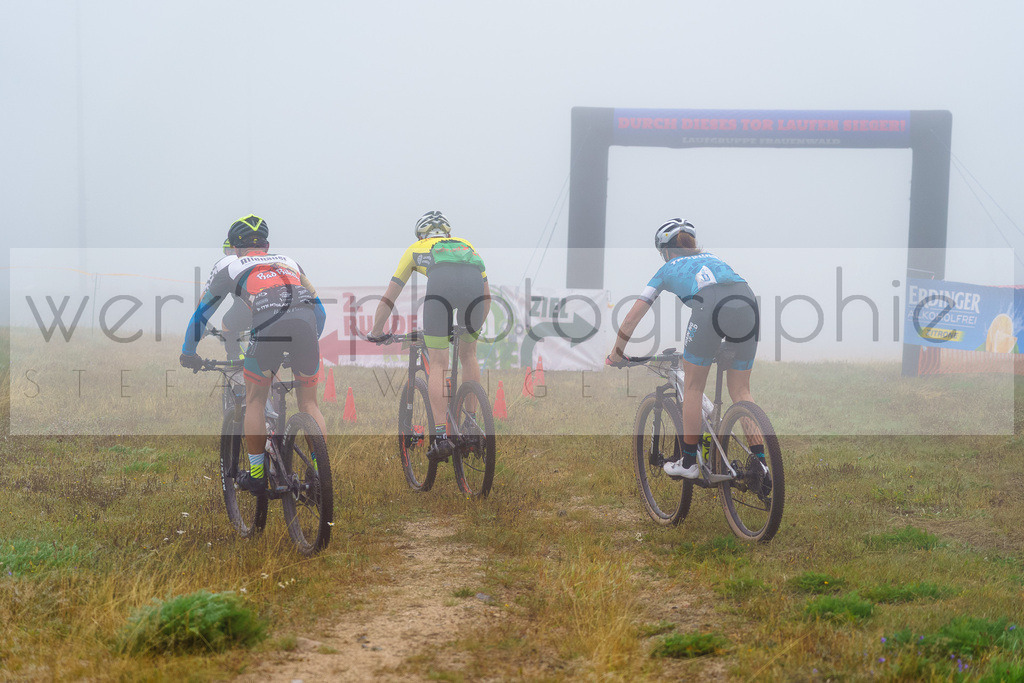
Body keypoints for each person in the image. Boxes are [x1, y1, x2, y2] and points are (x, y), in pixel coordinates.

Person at [180, 214, 327, 492]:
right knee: (310, 404)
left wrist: (188, 352)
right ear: (267, 245)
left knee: (255, 400)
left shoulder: (230, 267)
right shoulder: (290, 262)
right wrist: (305, 345)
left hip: (268, 325)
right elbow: (320, 313)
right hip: (306, 326)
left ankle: (257, 474)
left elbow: (202, 315)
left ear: (235, 248)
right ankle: (321, 476)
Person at [607, 218, 761, 479]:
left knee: (693, 386)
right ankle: (762, 465)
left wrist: (616, 353)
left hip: (710, 308)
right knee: (741, 390)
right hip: (747, 303)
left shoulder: (667, 269)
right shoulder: (713, 258)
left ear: (666, 252)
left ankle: (689, 461)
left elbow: (632, 318)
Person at [368, 211, 489, 462]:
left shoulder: (415, 249)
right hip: (475, 290)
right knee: (469, 355)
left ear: (421, 235)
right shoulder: (466, 245)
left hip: (441, 287)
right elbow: (486, 296)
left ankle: (441, 437)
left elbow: (390, 297)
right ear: (448, 234)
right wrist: (474, 327)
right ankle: (471, 423)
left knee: (438, 364)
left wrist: (376, 331)